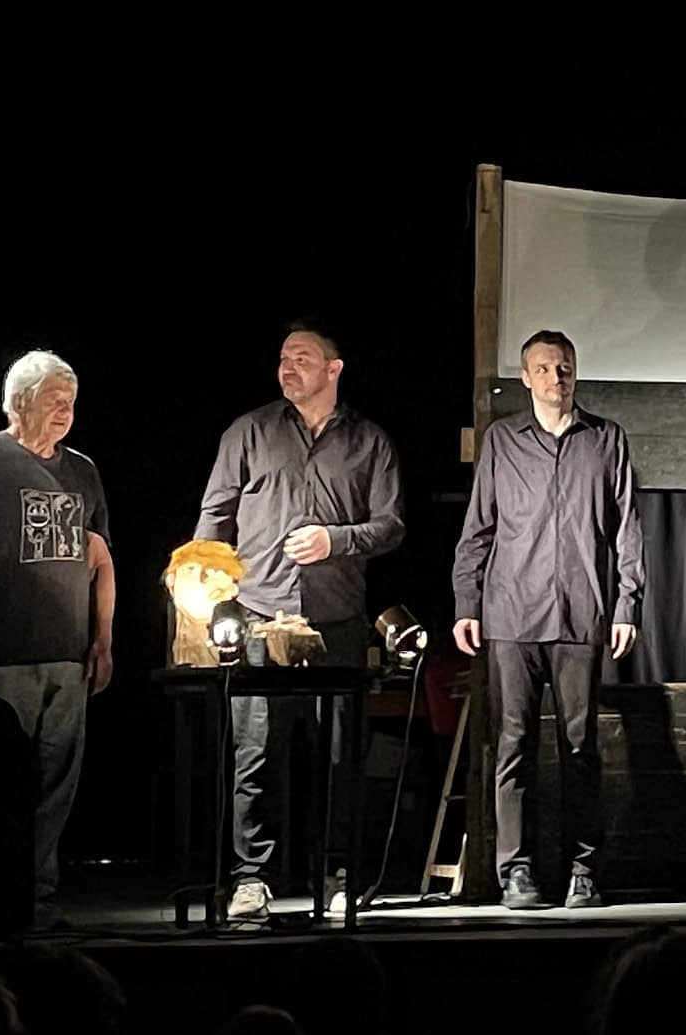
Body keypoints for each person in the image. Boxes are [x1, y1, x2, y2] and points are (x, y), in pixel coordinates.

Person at [196, 320, 405, 923]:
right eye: (284, 359)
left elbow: (391, 525)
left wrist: (335, 540)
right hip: (260, 618)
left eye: (303, 359)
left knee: (339, 757)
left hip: (335, 622)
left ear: (333, 369)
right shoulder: (249, 432)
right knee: (255, 755)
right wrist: (207, 596)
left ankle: (338, 874)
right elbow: (214, 517)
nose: (288, 369)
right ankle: (251, 878)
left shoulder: (370, 442)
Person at [452, 329, 644, 912]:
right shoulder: (503, 440)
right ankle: (516, 870)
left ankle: (583, 870)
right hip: (512, 614)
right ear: (525, 376)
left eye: (563, 368)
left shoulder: (606, 439)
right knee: (513, 745)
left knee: (579, 746)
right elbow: (479, 526)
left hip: (580, 615)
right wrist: (466, 603)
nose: (555, 378)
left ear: (575, 372)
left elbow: (627, 527)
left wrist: (627, 603)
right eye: (542, 368)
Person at [0, 349, 115, 934]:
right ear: (19, 403)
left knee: (55, 787)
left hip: (68, 659)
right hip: (4, 659)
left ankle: (36, 902)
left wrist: (103, 640)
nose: (65, 411)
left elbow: (100, 561)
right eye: (53, 400)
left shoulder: (83, 470)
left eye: (71, 402)